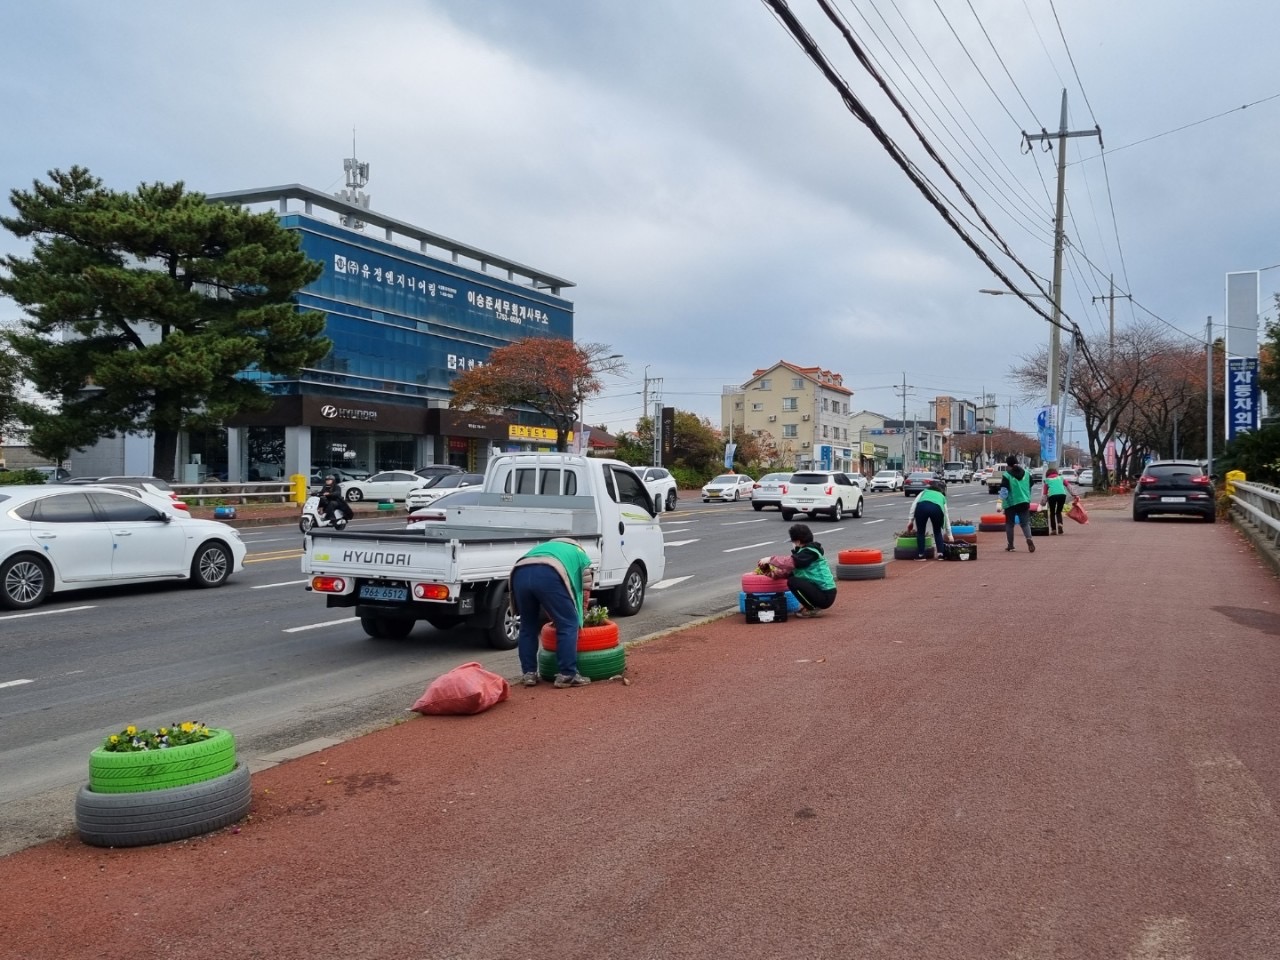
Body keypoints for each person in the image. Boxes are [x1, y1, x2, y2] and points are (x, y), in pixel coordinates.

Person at [509, 538, 595, 688]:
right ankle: (568, 674)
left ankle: (529, 674)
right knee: (568, 623)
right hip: (548, 572)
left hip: (519, 572)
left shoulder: (546, 547)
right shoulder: (580, 553)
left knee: (527, 625)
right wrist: (582, 613)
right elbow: (585, 589)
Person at [785, 523, 837, 618]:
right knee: (792, 577)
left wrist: (770, 560)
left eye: (794, 541)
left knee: (792, 581)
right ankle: (810, 606)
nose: (793, 544)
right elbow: (790, 571)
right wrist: (771, 572)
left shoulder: (809, 552)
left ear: (799, 541)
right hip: (823, 592)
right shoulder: (805, 552)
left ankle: (812, 608)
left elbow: (792, 562)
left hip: (826, 595)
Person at [907, 479, 953, 560]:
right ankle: (940, 554)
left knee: (920, 532)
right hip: (936, 509)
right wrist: (949, 534)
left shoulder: (924, 492)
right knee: (937, 531)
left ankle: (921, 555)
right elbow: (946, 515)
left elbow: (914, 505)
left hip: (922, 507)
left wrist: (911, 521)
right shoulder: (941, 496)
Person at [998, 455, 1036, 553]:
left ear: (1008, 465)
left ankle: (1011, 546)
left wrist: (1000, 501)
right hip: (1024, 501)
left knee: (1010, 524)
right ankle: (1029, 538)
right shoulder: (1027, 474)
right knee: (1025, 523)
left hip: (1011, 503)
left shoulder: (1007, 475)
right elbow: (1031, 484)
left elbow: (1004, 490)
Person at [1039, 467, 1078, 535]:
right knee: (1059, 511)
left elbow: (1045, 493)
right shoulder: (1061, 478)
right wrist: (1074, 495)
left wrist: (1043, 503)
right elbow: (1069, 486)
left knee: (1052, 512)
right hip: (1062, 495)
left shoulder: (1047, 480)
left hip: (1052, 496)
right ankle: (1060, 524)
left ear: (1047, 474)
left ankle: (1054, 530)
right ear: (1056, 473)